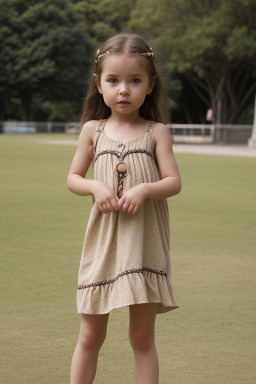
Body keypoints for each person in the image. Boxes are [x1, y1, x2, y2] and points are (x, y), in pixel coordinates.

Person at [67, 32, 182, 384]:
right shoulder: (92, 130)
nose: (123, 90)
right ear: (98, 83)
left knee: (142, 338)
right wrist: (93, 185)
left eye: (135, 80)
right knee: (90, 336)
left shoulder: (156, 132)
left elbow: (173, 182)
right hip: (102, 246)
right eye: (113, 80)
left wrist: (146, 189)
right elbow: (73, 177)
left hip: (143, 246)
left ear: (150, 85)